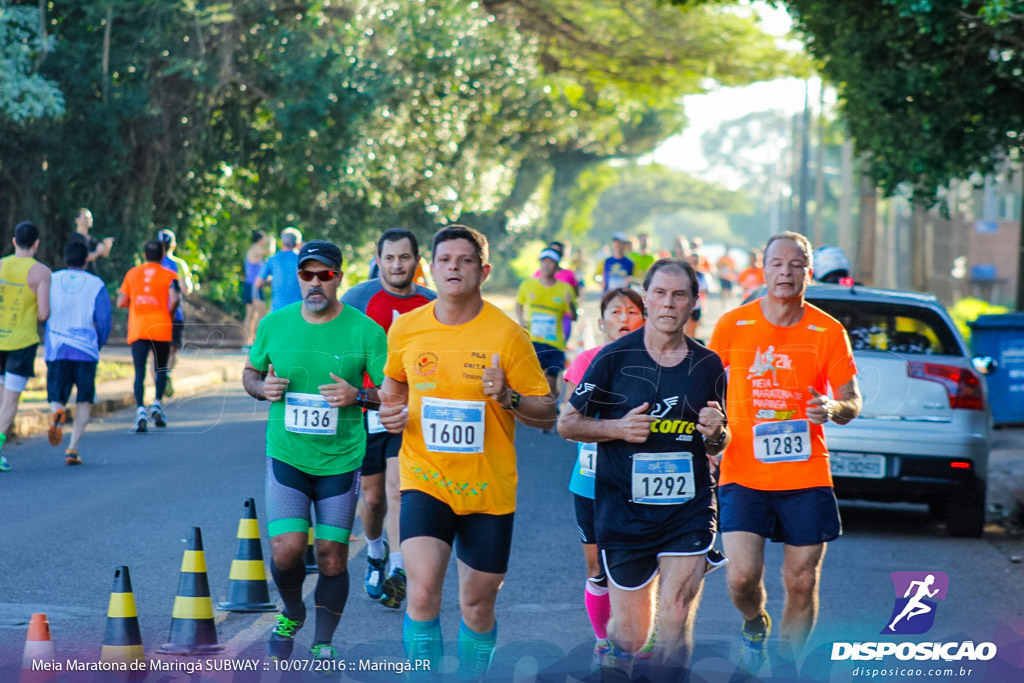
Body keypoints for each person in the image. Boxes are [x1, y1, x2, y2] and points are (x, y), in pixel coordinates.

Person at [377, 224, 557, 679]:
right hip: (426, 479)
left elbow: (547, 413)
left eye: (465, 261)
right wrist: (392, 411)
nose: (454, 268)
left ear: (484, 270)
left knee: (476, 605)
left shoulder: (508, 335)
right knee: (420, 593)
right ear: (431, 268)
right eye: (445, 261)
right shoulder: (408, 328)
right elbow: (393, 383)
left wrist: (510, 398)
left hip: (487, 492)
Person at [559, 258, 729, 677]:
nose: (668, 304)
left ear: (693, 302)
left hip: (687, 509)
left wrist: (716, 431)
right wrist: (617, 427)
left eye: (679, 295)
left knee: (674, 615)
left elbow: (721, 440)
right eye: (659, 293)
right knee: (630, 636)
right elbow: (567, 423)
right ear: (647, 298)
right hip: (623, 509)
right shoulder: (613, 358)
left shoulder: (708, 365)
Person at [708, 231, 862, 674]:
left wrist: (832, 408)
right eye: (777, 263)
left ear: (808, 272)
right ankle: (755, 622)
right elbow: (705, 387)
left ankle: (786, 667)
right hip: (742, 468)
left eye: (796, 265)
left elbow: (852, 401)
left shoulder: (828, 331)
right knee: (741, 577)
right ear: (763, 267)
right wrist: (709, 429)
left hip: (806, 475)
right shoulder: (733, 324)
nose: (786, 273)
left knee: (801, 580)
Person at [243, 240, 388, 662]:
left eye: (325, 274)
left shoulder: (365, 330)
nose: (315, 282)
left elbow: (393, 394)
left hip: (341, 459)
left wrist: (358, 395)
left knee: (331, 556)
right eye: (307, 274)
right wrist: (261, 388)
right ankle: (291, 610)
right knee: (287, 549)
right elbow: (251, 373)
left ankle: (323, 641)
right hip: (288, 452)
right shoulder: (275, 324)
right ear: (298, 279)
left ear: (339, 277)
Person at [341, 228, 436, 610]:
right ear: (378, 260)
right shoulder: (357, 298)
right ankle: (377, 552)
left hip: (410, 412)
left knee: (399, 489)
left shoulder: (431, 301)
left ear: (417, 262)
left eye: (405, 258)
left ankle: (399, 571)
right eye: (390, 258)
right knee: (374, 497)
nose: (398, 265)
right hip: (368, 408)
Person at [561, 287, 645, 669]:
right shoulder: (585, 361)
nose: (624, 318)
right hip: (592, 479)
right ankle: (601, 641)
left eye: (632, 311)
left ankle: (642, 636)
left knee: (641, 564)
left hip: (640, 481)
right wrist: (617, 429)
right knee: (597, 569)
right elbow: (568, 421)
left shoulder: (657, 362)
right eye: (615, 312)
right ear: (602, 322)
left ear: (644, 319)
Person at [45, 240, 112, 465]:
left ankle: (58, 410)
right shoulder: (96, 284)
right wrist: (98, 343)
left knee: (56, 394)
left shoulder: (52, 279)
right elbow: (103, 319)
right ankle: (72, 447)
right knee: (84, 400)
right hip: (85, 350)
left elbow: (42, 310)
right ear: (86, 260)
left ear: (65, 259)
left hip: (57, 347)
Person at [0, 222, 52, 472]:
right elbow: (43, 313)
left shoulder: (0, 265)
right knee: (10, 401)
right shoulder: (41, 272)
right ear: (36, 244)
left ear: (13, 241)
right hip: (21, 343)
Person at [117, 239, 179, 433]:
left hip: (138, 327)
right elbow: (176, 297)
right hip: (161, 326)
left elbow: (121, 301)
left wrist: (136, 304)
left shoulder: (132, 273)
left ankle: (140, 411)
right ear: (163, 255)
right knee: (160, 367)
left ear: (144, 255)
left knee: (139, 370)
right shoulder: (170, 274)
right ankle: (157, 404)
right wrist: (169, 311)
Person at [517, 247, 577, 399]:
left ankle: (552, 406)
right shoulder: (528, 285)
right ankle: (538, 406)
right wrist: (521, 319)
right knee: (537, 377)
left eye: (551, 262)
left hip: (555, 342)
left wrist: (570, 305)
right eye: (544, 261)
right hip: (534, 340)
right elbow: (519, 303)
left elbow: (573, 316)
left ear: (556, 266)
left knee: (551, 379)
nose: (546, 265)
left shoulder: (565, 289)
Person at [157, 229, 195, 397]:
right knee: (172, 349)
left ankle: (160, 381)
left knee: (155, 351)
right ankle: (166, 374)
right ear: (173, 244)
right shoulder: (179, 264)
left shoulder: (152, 262)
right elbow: (186, 288)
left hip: (154, 313)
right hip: (174, 313)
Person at [533, 241, 580, 346]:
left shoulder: (568, 274)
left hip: (563, 316)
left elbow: (575, 293)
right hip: (542, 318)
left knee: (559, 345)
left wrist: (570, 304)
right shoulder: (537, 275)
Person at [254, 227, 303, 311]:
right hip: (298, 311)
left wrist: (274, 281)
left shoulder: (272, 259)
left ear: (282, 242)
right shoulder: (303, 260)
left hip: (277, 311)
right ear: (298, 244)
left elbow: (258, 283)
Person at [243, 230, 273, 348]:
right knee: (262, 313)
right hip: (254, 286)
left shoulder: (252, 249)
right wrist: (272, 242)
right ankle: (256, 342)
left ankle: (249, 342)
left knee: (251, 315)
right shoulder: (256, 249)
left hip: (249, 285)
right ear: (260, 239)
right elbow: (270, 252)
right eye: (264, 239)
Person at [69, 208, 114, 276]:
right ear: (77, 220)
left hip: (90, 275)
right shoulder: (75, 239)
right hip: (79, 276)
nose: (89, 220)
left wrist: (108, 245)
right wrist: (97, 252)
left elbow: (104, 253)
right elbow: (82, 257)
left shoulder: (92, 239)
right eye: (86, 217)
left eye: (90, 217)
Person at [684, 252, 709, 339]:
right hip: (685, 305)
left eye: (696, 262)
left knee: (693, 332)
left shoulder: (702, 275)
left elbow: (706, 289)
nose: (694, 263)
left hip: (697, 305)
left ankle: (691, 349)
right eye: (692, 261)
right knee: (685, 330)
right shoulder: (685, 274)